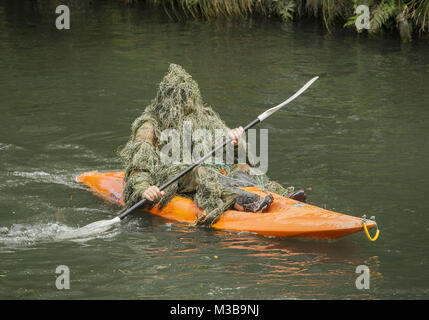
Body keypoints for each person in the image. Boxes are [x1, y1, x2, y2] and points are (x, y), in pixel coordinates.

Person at [119, 64, 305, 226]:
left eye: (189, 98)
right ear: (166, 102)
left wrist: (235, 141)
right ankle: (240, 201)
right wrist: (144, 189)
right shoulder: (150, 126)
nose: (187, 104)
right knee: (198, 172)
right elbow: (139, 166)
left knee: (242, 166)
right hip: (171, 176)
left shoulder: (204, 117)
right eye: (180, 100)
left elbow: (232, 155)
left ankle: (281, 194)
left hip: (210, 168)